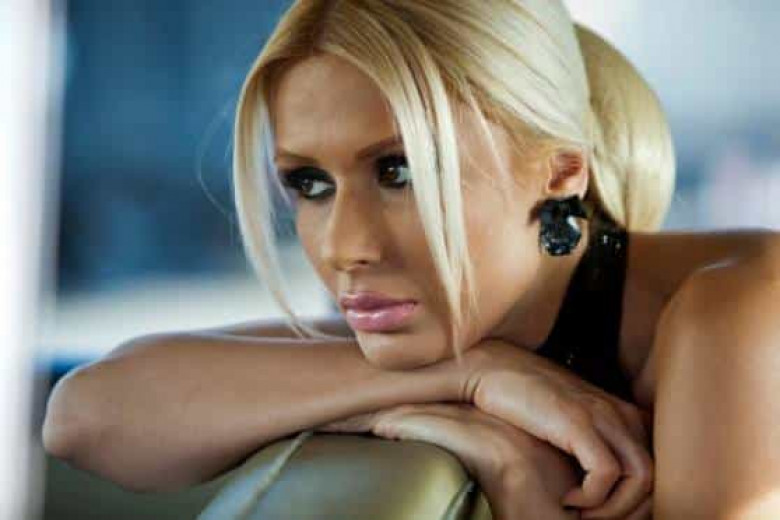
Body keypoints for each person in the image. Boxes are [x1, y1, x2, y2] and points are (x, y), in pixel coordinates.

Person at [42, 1, 780, 519]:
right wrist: (472, 375)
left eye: (400, 172)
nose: (345, 247)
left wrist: (520, 484)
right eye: (311, 184)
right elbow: (84, 416)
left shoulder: (741, 312)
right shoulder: (478, 325)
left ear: (560, 171)